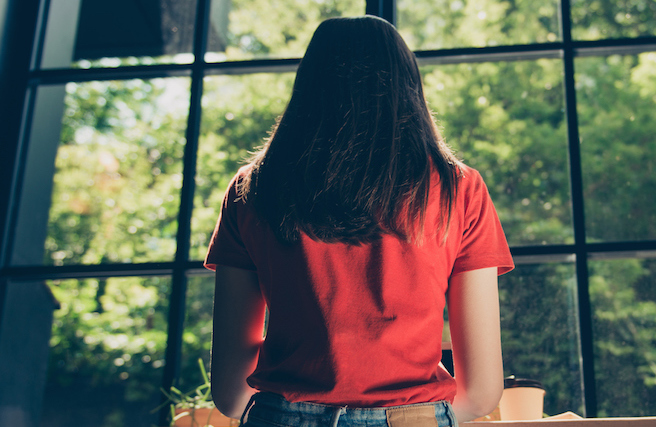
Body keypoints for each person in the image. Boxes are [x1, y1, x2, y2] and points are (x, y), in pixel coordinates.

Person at [204, 15, 515, 427]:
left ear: (308, 85)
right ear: (407, 85)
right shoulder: (459, 188)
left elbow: (229, 391)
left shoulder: (253, 189)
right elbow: (481, 390)